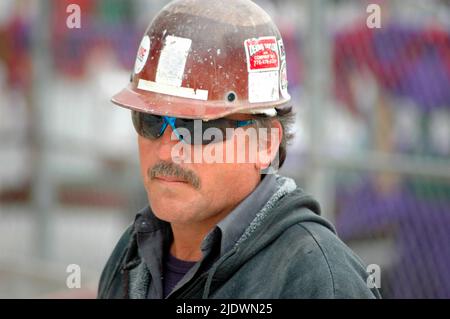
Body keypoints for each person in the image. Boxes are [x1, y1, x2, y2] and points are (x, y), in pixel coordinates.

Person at [97, 0, 381, 299]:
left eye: (195, 127)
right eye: (150, 120)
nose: (168, 151)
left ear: (265, 144)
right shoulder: (133, 255)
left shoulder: (317, 281)